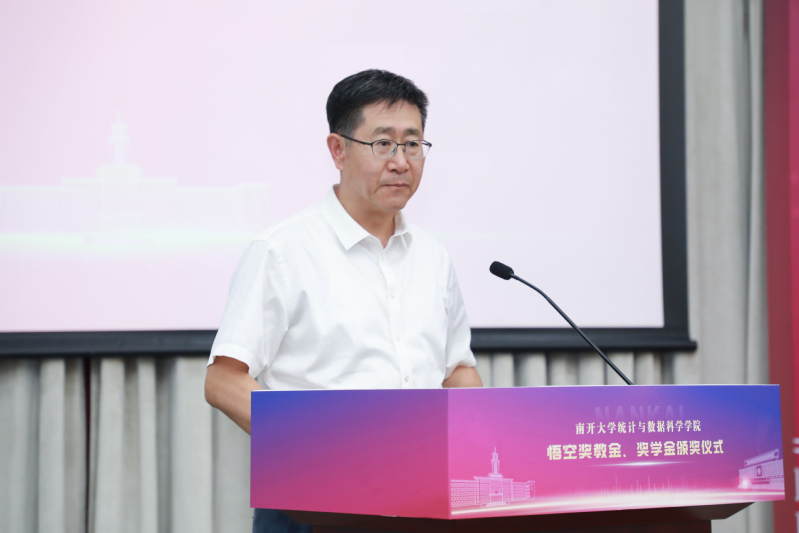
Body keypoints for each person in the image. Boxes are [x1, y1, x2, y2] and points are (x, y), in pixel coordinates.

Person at [204, 69, 482, 533]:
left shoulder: (433, 257)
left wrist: (478, 446)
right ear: (338, 150)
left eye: (413, 144)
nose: (401, 162)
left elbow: (458, 371)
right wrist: (320, 449)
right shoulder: (283, 250)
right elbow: (223, 380)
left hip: (423, 497)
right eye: (383, 143)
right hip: (314, 501)